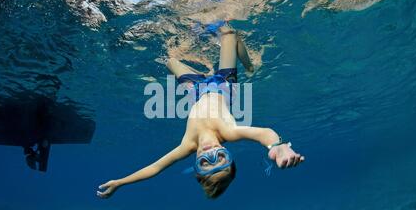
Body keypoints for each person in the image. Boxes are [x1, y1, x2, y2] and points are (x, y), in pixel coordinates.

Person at [97, 23, 304, 199]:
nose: (210, 153)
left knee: (169, 61)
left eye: (205, 162)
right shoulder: (227, 132)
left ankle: (202, 71)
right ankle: (249, 66)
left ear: (196, 165)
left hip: (197, 90)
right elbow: (264, 133)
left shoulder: (187, 145)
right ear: (228, 153)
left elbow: (155, 168)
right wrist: (277, 145)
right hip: (224, 83)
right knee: (229, 33)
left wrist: (120, 183)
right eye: (220, 157)